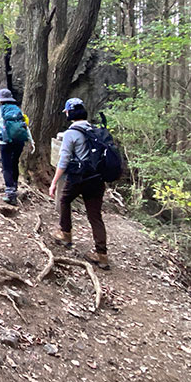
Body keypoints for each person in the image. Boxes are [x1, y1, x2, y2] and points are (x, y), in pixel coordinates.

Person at [48, 98, 110, 270]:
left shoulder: (71, 133)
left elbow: (64, 160)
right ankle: (102, 255)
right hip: (97, 179)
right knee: (95, 216)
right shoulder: (94, 130)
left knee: (65, 200)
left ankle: (65, 234)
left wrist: (54, 182)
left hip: (79, 177)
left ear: (70, 113)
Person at [0, 88, 32, 205]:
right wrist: (31, 141)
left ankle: (10, 193)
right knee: (15, 163)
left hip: (5, 141)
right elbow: (25, 126)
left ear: (0, 100)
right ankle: (14, 187)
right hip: (19, 141)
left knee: (6, 166)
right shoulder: (17, 109)